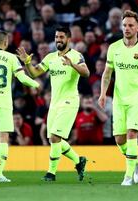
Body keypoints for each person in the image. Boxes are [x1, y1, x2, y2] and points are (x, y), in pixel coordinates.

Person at [16, 26, 89, 182]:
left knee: (55, 136)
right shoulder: (50, 57)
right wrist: (27, 62)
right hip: (55, 103)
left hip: (69, 101)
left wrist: (72, 65)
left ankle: (51, 173)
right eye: (56, 37)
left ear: (68, 39)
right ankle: (78, 161)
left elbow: (86, 72)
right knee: (54, 139)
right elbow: (35, 73)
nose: (58, 40)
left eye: (61, 37)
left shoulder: (76, 56)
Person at [98, 10, 138, 186]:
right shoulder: (114, 48)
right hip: (119, 99)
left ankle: (128, 176)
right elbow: (107, 73)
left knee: (132, 133)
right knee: (119, 140)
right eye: (124, 25)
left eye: (131, 25)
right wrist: (102, 93)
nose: (127, 28)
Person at [0, 30, 39, 182]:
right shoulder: (11, 58)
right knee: (3, 137)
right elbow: (22, 77)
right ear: (6, 42)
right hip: (3, 102)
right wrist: (36, 83)